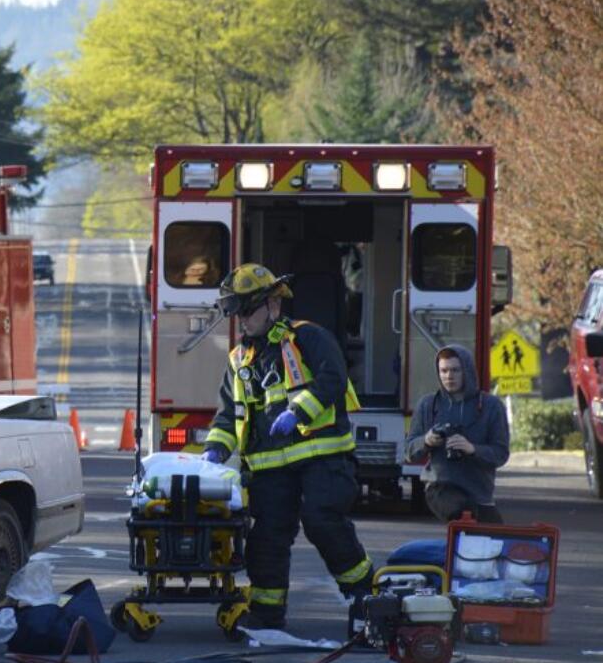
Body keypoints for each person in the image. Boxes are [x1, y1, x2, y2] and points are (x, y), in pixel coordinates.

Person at [201, 263, 373, 630]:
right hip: (268, 468)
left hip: (321, 455)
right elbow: (228, 415)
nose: (241, 321)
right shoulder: (238, 360)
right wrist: (215, 450)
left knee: (323, 521)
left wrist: (298, 412)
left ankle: (367, 599)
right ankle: (266, 614)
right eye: (236, 313)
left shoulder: (308, 337)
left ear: (273, 305)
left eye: (246, 311)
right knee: (267, 536)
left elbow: (333, 378)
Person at [405, 345, 510, 523]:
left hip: (480, 494)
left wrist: (472, 449)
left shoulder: (491, 406)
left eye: (455, 370)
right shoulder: (428, 405)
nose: (449, 376)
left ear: (467, 370)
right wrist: (427, 441)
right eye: (443, 371)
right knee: (464, 517)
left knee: (495, 543)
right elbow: (408, 453)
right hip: (441, 488)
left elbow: (501, 454)